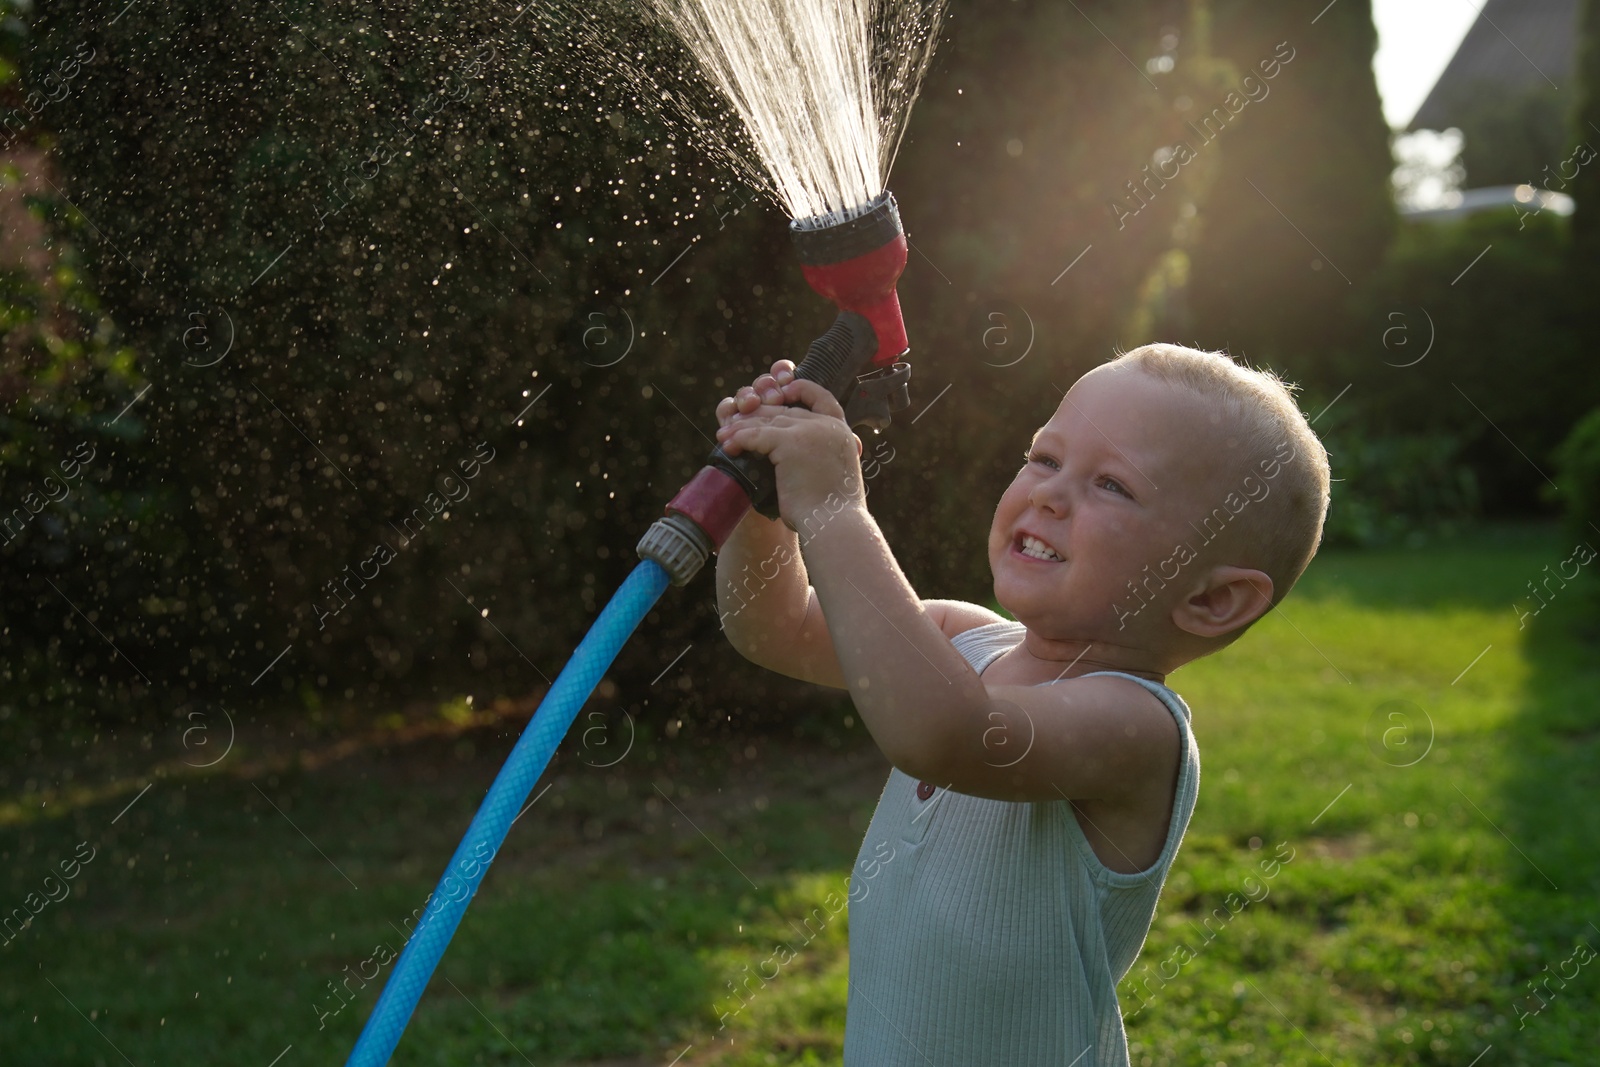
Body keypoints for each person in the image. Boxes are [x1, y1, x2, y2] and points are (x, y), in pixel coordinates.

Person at [711, 342, 1330, 1066]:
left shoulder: (1136, 728)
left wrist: (837, 508)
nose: (1048, 493)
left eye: (1112, 485)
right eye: (1044, 457)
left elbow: (944, 735)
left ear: (1211, 597)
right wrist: (767, 504)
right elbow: (773, 626)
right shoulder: (965, 642)